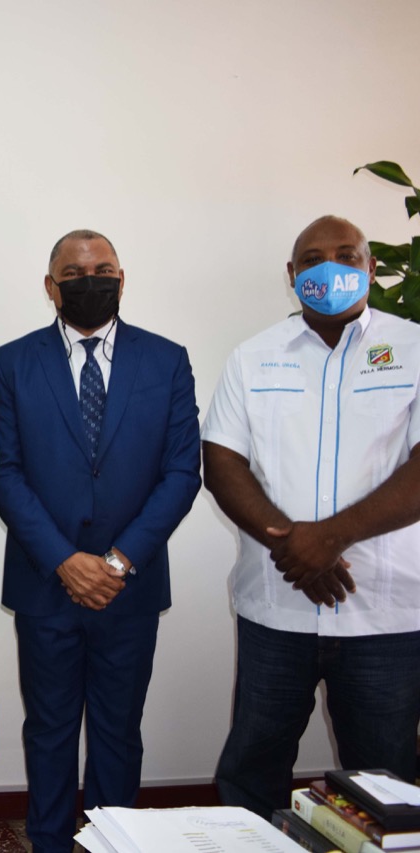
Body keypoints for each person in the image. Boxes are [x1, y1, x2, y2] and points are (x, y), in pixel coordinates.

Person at [0, 229, 200, 853]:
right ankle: (50, 843)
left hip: (127, 588)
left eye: (102, 268)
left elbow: (182, 472)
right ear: (51, 286)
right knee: (48, 730)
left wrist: (115, 561)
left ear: (122, 277)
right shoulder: (11, 362)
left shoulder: (166, 360)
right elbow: (3, 470)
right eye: (73, 272)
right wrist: (63, 561)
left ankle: (114, 844)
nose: (90, 280)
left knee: (118, 731)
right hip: (44, 583)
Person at [204, 215, 420, 815]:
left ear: (371, 269)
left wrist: (330, 539)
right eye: (314, 257)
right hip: (277, 607)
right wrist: (292, 546)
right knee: (253, 767)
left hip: (385, 613)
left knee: (388, 781)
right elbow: (221, 461)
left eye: (347, 255)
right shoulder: (253, 357)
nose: (332, 267)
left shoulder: (413, 348)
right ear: (293, 274)